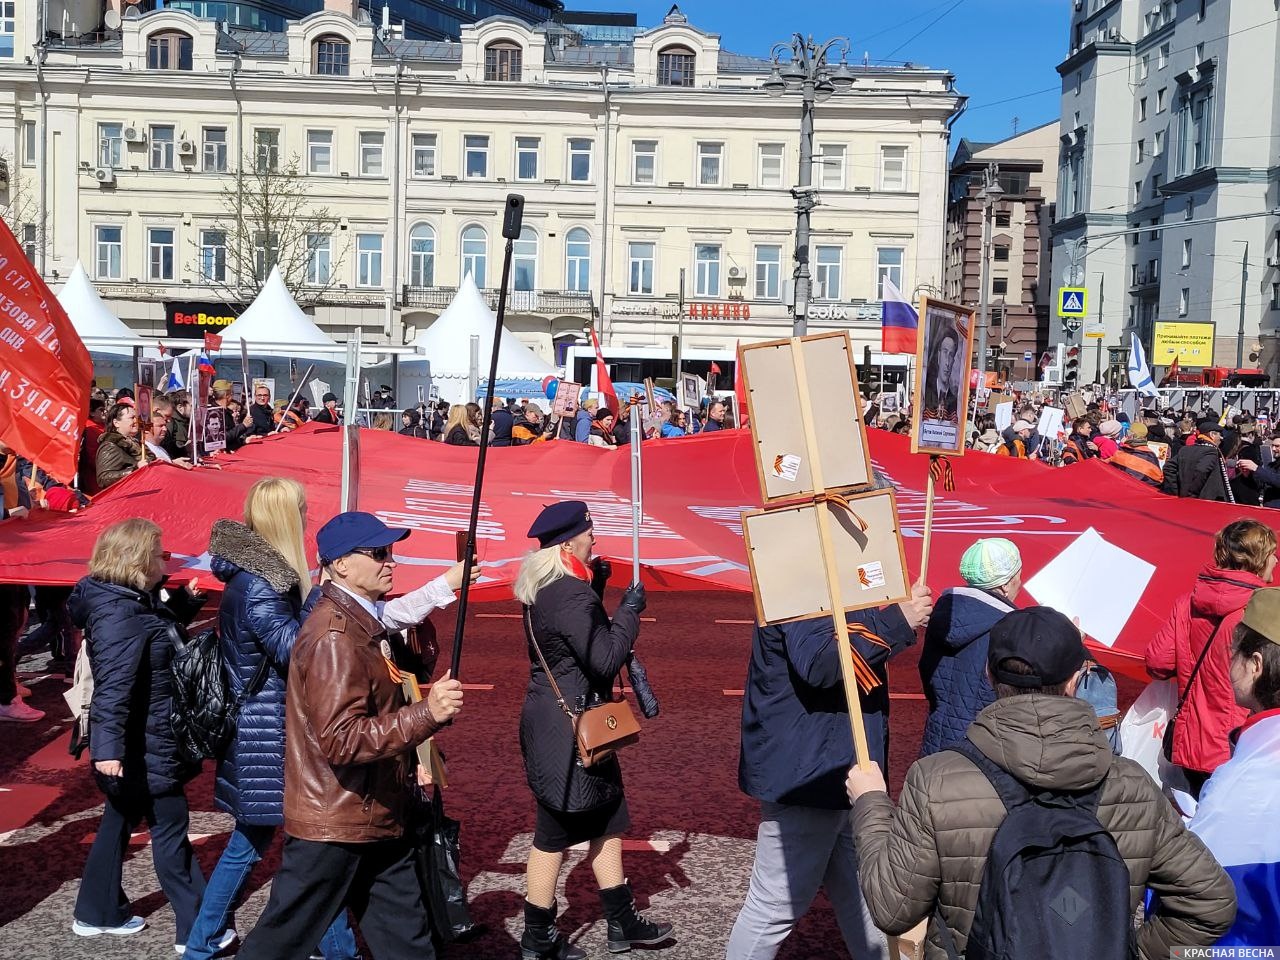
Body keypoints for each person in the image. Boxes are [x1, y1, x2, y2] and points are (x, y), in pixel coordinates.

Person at [847, 606, 1237, 959]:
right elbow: (1210, 901)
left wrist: (871, 804)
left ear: (989, 673)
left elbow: (893, 909)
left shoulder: (936, 779)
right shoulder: (1131, 784)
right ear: (1076, 678)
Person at [234, 512, 465, 960]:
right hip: (336, 821)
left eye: (390, 552)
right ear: (340, 565)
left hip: (372, 813)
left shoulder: (359, 620)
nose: (390, 562)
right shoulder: (335, 637)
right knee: (278, 944)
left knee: (407, 942)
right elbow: (342, 740)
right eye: (378, 554)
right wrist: (426, 715)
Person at [183, 479, 358, 960]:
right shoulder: (262, 582)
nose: (306, 517)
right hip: (269, 731)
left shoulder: (255, 575)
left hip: (264, 726)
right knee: (306, 843)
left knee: (265, 843)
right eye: (301, 510)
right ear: (284, 516)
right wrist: (319, 596)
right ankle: (335, 948)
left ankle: (202, 944)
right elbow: (292, 650)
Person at [727, 574, 934, 960]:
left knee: (867, 897)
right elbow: (820, 663)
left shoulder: (820, 572)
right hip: (812, 768)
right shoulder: (800, 578)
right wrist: (896, 622)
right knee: (775, 906)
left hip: (834, 762)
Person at [514, 501, 672, 959]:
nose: (594, 540)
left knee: (607, 818)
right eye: (589, 533)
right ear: (569, 542)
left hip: (561, 725)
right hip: (571, 733)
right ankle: (538, 936)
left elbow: (577, 641)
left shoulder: (550, 586)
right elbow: (603, 658)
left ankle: (621, 923)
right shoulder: (568, 593)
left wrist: (598, 588)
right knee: (553, 834)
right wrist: (629, 611)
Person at [68, 519, 212, 949]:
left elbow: (156, 633)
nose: (163, 560)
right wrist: (106, 750)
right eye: (158, 554)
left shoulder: (127, 599)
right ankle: (200, 929)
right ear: (136, 560)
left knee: (118, 820)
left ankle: (97, 911)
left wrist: (184, 603)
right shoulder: (120, 611)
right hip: (142, 742)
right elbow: (114, 686)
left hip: (140, 738)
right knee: (170, 827)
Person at [1146, 519, 1276, 796]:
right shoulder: (1260, 614)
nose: (1275, 561)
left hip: (1192, 742)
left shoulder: (1188, 603)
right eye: (1272, 554)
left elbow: (1158, 661)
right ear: (1259, 559)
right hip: (1240, 743)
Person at [1189, 587, 1280, 946]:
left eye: (1233, 654)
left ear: (1256, 665)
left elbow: (1201, 899)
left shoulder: (1244, 779)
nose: (1228, 664)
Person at [918, 539, 1021, 757]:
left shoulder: (942, 615)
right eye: (1018, 574)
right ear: (1005, 584)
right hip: (983, 750)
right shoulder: (1009, 628)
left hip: (937, 743)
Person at [1163, 419, 1234, 502]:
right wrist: (1192, 494)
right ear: (1212, 435)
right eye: (1219, 434)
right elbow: (1202, 470)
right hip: (1205, 500)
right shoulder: (1211, 451)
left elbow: (1168, 468)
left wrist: (1176, 490)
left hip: (1184, 497)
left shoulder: (1185, 449)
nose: (1221, 438)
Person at [96, 402, 155, 490]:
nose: (136, 421)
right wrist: (135, 469)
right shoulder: (110, 446)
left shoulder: (137, 443)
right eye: (132, 418)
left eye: (136, 417)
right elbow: (104, 478)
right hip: (125, 498)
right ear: (116, 423)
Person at [1108, 422, 1163, 487]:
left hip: (1124, 490)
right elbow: (1158, 478)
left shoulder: (1122, 452)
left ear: (1131, 435)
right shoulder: (1151, 455)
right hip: (1145, 492)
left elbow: (1110, 470)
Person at [922, 326, 959, 418]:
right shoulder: (925, 392)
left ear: (953, 360)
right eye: (945, 352)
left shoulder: (955, 401)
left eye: (951, 355)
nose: (947, 362)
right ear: (938, 355)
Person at [79, 397, 108, 496]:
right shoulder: (90, 429)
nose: (105, 412)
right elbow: (92, 456)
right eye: (101, 410)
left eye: (105, 409)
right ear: (91, 413)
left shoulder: (102, 427)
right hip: (95, 478)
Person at [164, 391, 193, 461]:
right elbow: (171, 450)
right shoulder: (171, 423)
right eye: (191, 406)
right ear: (180, 407)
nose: (194, 409)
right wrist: (186, 448)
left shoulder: (186, 422)